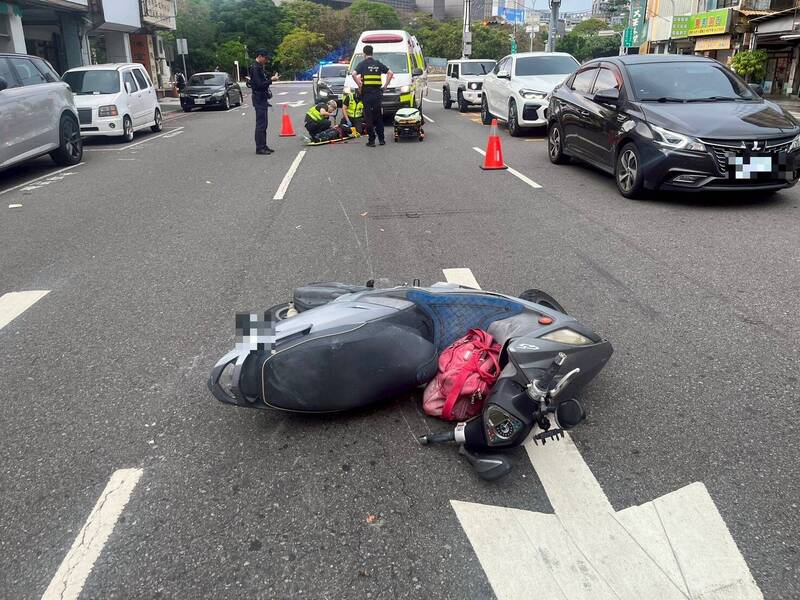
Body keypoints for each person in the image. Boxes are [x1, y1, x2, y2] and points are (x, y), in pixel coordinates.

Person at [352, 45, 393, 147]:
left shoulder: (362, 64)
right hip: (377, 94)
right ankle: (381, 139)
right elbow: (390, 73)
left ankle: (371, 141)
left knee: (368, 117)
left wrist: (359, 84)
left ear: (364, 54)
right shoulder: (378, 63)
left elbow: (353, 74)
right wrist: (385, 86)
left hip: (367, 94)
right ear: (372, 53)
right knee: (378, 116)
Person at [248, 49, 279, 155]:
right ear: (260, 56)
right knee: (261, 124)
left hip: (262, 98)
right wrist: (271, 80)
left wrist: (270, 78)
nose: (266, 60)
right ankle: (260, 147)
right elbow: (259, 85)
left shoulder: (259, 67)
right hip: (259, 98)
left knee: (264, 124)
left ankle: (264, 145)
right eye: (265, 58)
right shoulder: (255, 68)